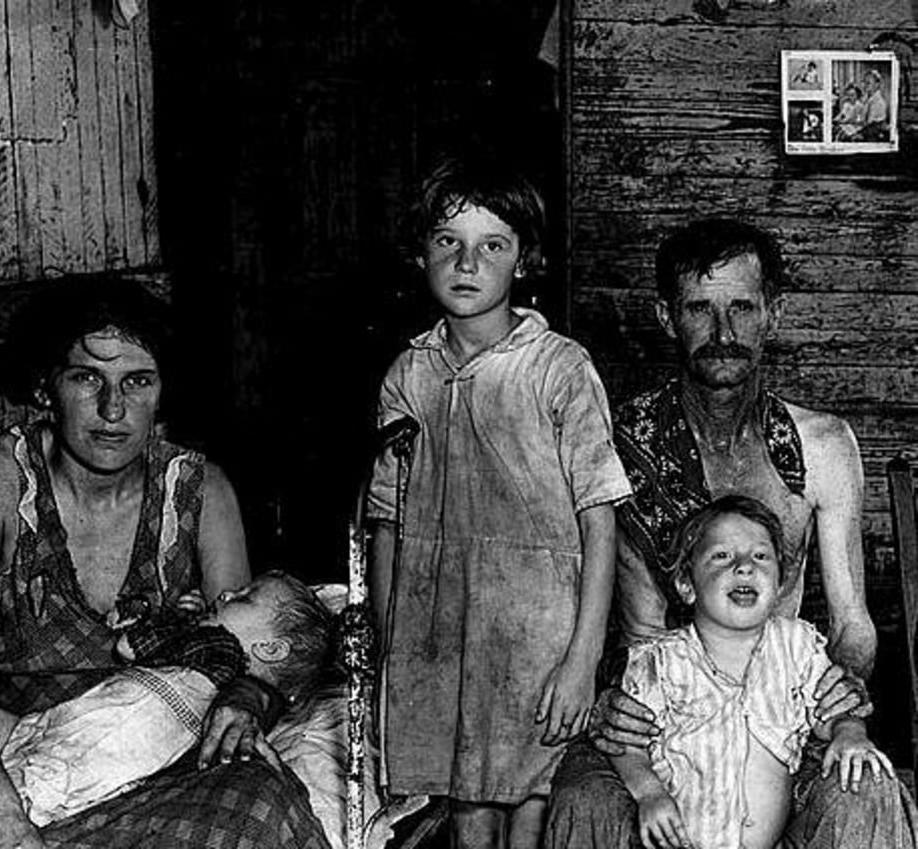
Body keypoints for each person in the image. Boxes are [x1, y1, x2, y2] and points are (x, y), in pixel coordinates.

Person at [0, 277, 329, 849]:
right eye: (87, 378)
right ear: (44, 385)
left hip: (152, 763)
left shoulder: (202, 490)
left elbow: (248, 656)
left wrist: (247, 699)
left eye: (137, 381)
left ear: (164, 391)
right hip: (30, 761)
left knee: (261, 800)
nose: (113, 409)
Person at [546, 218, 906, 848]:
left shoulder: (822, 447)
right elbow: (575, 608)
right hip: (654, 715)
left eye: (741, 307)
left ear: (772, 313)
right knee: (584, 798)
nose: (722, 333)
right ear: (666, 317)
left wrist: (836, 696)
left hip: (782, 713)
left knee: (866, 787)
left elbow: (853, 625)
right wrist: (607, 705)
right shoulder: (618, 446)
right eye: (699, 309)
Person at [367, 150, 631, 849]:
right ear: (420, 254)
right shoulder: (408, 375)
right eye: (447, 242)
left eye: (491, 246)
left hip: (537, 636)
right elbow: (387, 520)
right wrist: (395, 645)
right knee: (467, 807)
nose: (466, 263)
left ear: (524, 260)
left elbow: (598, 517)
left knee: (532, 803)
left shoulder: (559, 368)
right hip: (441, 636)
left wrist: (582, 658)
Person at [0, 571, 335, 848]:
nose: (226, 593)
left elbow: (128, 647)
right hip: (62, 725)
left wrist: (168, 619)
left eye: (244, 598)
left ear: (270, 651)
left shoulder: (217, 650)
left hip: (76, 758)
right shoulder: (216, 667)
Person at [611, 495, 907, 849]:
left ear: (780, 584)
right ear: (686, 585)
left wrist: (849, 734)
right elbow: (624, 740)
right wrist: (648, 794)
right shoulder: (658, 661)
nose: (744, 567)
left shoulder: (797, 647)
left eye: (761, 556)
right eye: (721, 556)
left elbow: (837, 708)